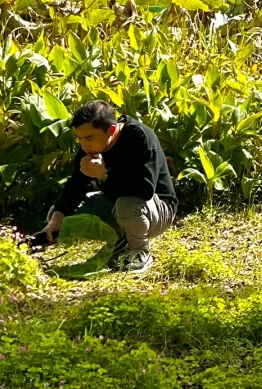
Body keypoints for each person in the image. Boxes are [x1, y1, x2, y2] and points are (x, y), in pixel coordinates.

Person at [40, 100, 177, 274]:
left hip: (157, 209)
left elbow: (144, 189)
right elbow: (76, 185)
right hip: (117, 205)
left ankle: (140, 252)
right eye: (80, 138)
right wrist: (56, 218)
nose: (84, 145)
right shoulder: (90, 146)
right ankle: (121, 241)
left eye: (89, 138)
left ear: (111, 130)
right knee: (59, 211)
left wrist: (103, 175)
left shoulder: (139, 136)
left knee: (127, 205)